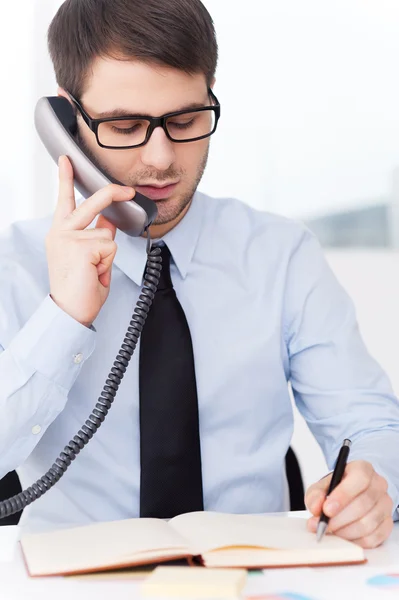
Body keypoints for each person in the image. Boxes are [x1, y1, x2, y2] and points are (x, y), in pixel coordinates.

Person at [0, 0, 398, 547]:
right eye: (125, 125)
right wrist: (63, 317)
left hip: (252, 576)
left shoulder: (281, 255)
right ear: (65, 122)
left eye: (185, 120)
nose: (161, 158)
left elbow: (371, 424)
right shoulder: (13, 265)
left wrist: (375, 487)